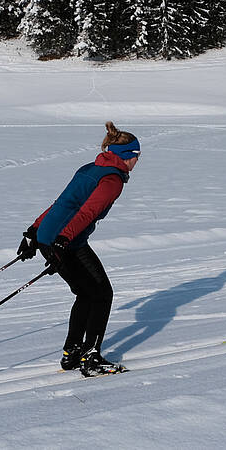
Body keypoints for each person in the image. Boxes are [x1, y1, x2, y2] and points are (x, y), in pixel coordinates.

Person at [17, 121, 140, 376]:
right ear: (128, 156)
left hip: (55, 238)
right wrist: (61, 241)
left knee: (87, 293)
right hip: (66, 240)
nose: (138, 162)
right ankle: (90, 358)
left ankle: (72, 353)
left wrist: (34, 232)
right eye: (137, 156)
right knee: (102, 294)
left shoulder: (90, 168)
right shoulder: (112, 179)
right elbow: (87, 212)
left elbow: (62, 203)